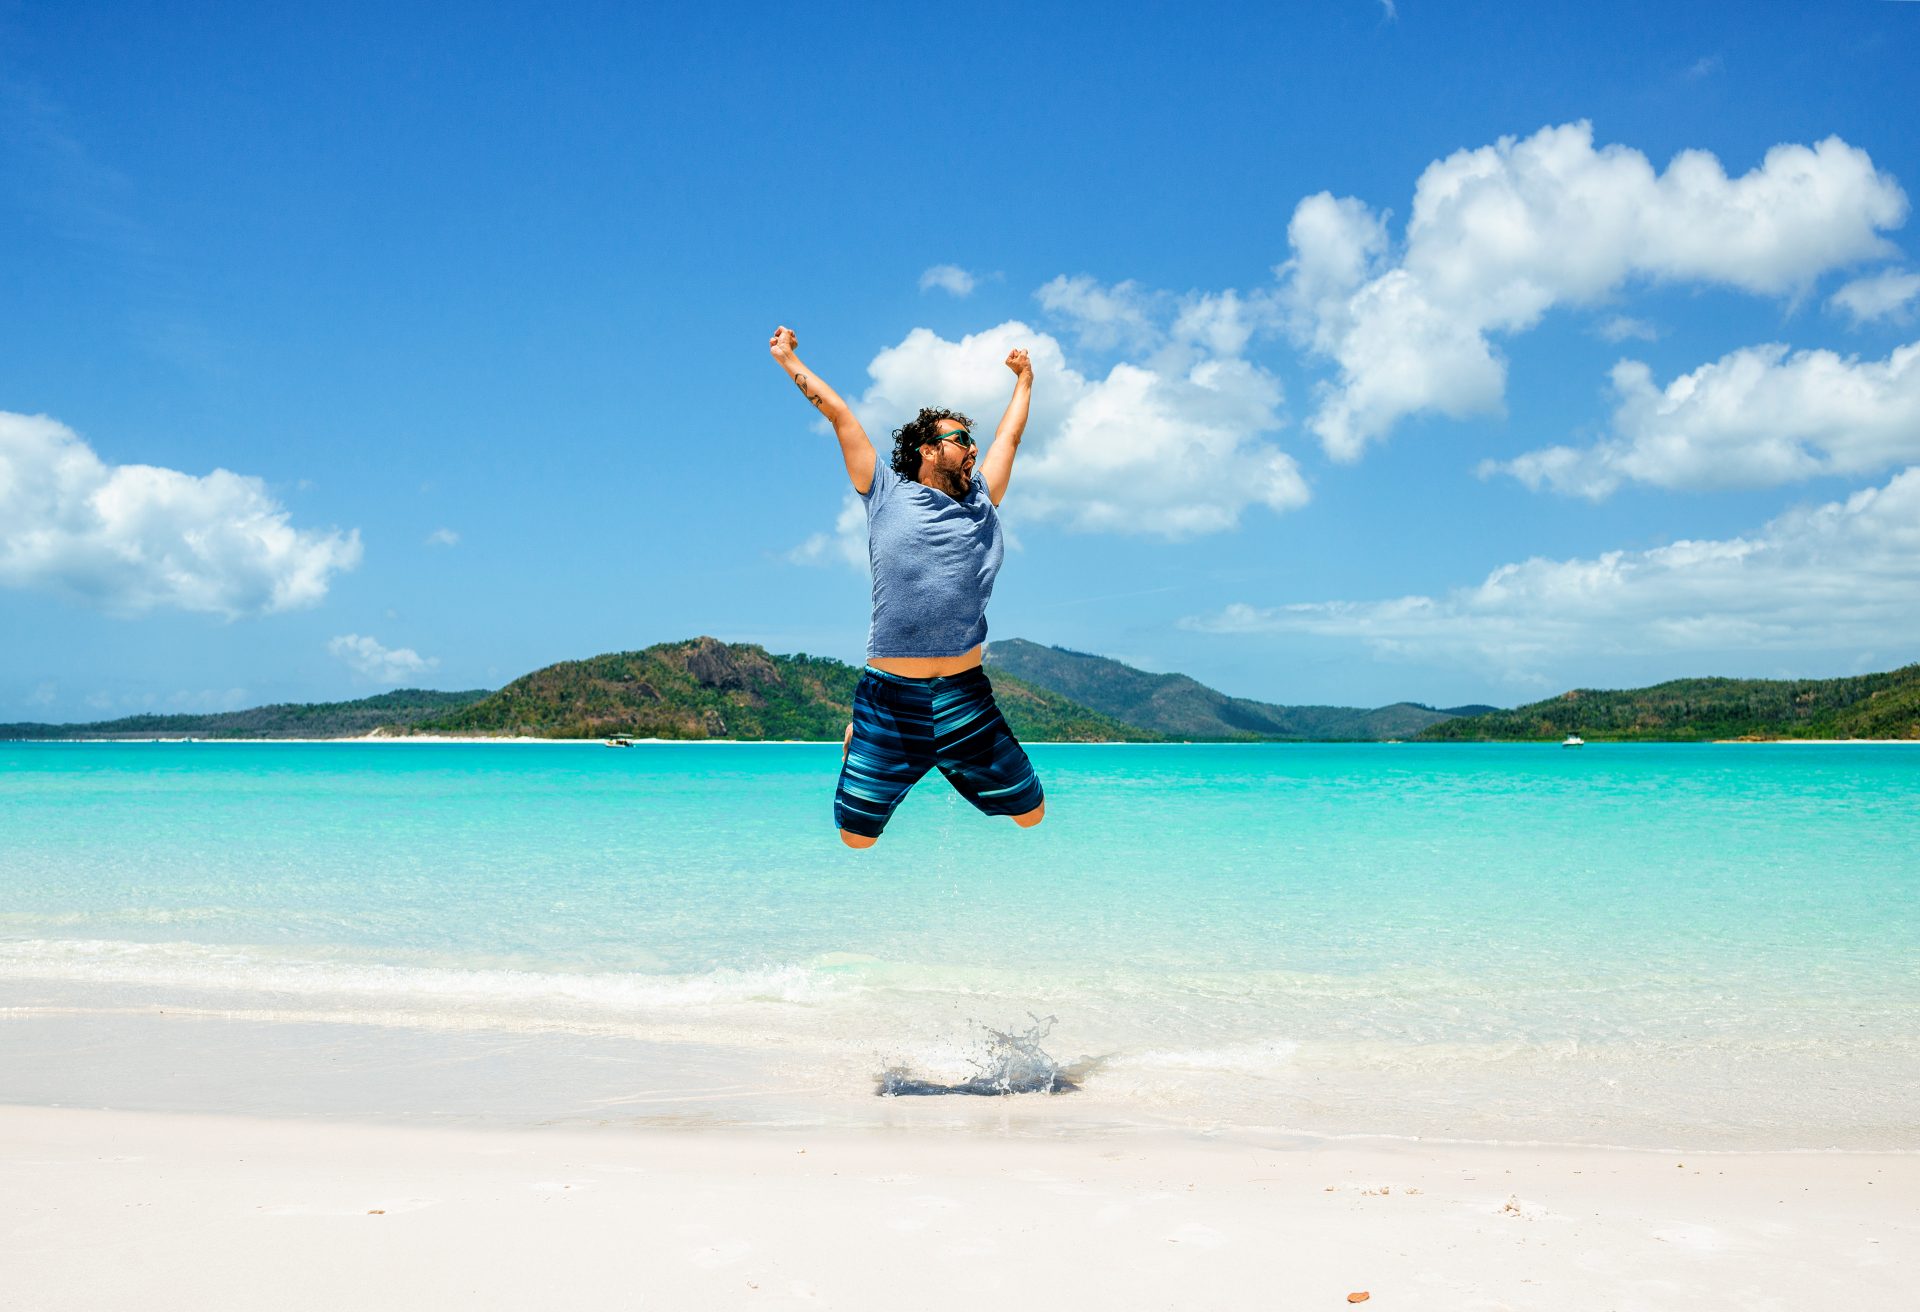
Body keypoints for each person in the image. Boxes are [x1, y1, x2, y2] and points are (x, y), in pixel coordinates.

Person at [768, 325, 1046, 848]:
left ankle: (947, 760)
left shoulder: (983, 501)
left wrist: (1025, 380)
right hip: (890, 699)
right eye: (960, 440)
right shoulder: (884, 492)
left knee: (1032, 812)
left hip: (965, 696)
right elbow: (839, 414)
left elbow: (1009, 437)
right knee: (857, 839)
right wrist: (787, 357)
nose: (972, 449)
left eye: (972, 442)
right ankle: (859, 743)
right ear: (926, 450)